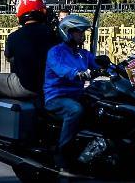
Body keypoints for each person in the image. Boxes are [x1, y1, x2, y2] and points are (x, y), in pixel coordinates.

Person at [0, 0, 58, 103]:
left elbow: (8, 57)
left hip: (27, 86)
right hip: (51, 85)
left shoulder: (14, 37)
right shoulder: (53, 34)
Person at [44, 14, 97, 170]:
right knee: (75, 110)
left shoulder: (83, 53)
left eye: (83, 32)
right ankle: (62, 152)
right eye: (79, 32)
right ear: (67, 32)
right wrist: (77, 73)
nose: (83, 35)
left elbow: (97, 63)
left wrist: (118, 67)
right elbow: (61, 69)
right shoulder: (55, 52)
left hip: (77, 95)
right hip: (56, 97)